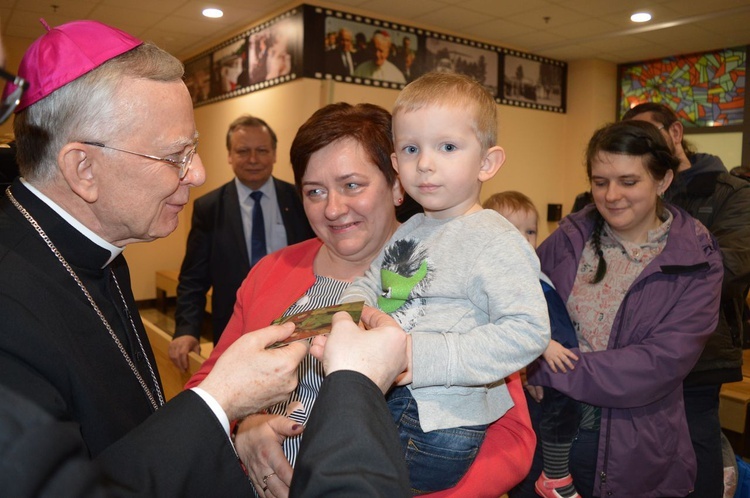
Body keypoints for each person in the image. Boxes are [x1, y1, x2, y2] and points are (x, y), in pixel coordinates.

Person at [0, 19, 410, 497]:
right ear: (83, 169)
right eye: (176, 155)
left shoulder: (98, 254)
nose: (198, 173)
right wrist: (228, 405)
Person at [187, 100, 539, 498]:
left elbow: (513, 437)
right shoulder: (271, 272)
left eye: (352, 185)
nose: (333, 209)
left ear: (395, 184)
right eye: (314, 191)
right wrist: (241, 429)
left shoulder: (453, 271)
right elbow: (207, 384)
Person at [340, 72, 550, 494]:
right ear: (396, 163)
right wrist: (350, 314)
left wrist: (425, 355)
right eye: (412, 149)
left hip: (440, 421)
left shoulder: (494, 238)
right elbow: (369, 280)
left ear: (487, 163)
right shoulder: (411, 228)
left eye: (448, 147)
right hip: (390, 393)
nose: (426, 163)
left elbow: (529, 331)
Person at [525, 120, 724, 497]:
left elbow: (656, 365)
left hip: (633, 449)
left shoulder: (697, 259)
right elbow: (520, 300)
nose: (611, 195)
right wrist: (525, 353)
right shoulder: (570, 238)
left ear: (663, 181)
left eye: (628, 182)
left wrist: (548, 369)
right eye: (600, 182)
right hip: (549, 435)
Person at [623, 102, 750, 498]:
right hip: (631, 351)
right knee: (636, 454)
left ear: (675, 134)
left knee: (698, 454)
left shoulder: (732, 193)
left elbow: (730, 268)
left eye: (648, 135)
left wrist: (643, 274)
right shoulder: (628, 190)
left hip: (701, 353)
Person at [170, 115, 313, 371]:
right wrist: (186, 329)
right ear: (230, 155)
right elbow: (193, 277)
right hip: (234, 331)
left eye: (262, 151)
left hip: (299, 328)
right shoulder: (209, 208)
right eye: (243, 151)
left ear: (274, 154)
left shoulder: (301, 200)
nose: (253, 160)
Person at [483, 191, 580, 498]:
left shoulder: (533, 270)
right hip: (541, 366)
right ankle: (555, 475)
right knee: (553, 420)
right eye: (513, 232)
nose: (524, 239)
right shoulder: (499, 278)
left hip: (558, 367)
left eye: (530, 231)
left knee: (561, 418)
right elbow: (507, 325)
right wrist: (543, 346)